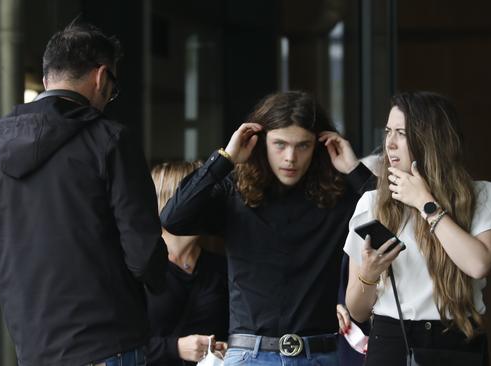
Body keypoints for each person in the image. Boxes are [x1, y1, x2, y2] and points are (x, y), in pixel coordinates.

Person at [0, 21, 168, 366]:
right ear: (102, 77)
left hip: (35, 350)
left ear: (47, 80)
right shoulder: (110, 141)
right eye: (112, 88)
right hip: (109, 343)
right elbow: (143, 254)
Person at [160, 91, 374, 366]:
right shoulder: (235, 192)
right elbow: (174, 218)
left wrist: (355, 170)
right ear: (260, 142)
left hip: (320, 355)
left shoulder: (338, 196)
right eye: (280, 144)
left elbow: (394, 227)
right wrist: (225, 158)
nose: (290, 157)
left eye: (303, 146)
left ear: (319, 145)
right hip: (250, 355)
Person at [344, 91, 491, 365]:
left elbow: (477, 264)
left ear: (431, 138)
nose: (390, 143)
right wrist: (368, 275)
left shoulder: (482, 195)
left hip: (457, 339)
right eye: (388, 131)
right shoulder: (373, 202)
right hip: (391, 339)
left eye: (401, 133)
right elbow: (357, 311)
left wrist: (425, 202)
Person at [147, 161, 229, 366]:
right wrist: (175, 348)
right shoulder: (137, 266)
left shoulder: (221, 267)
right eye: (200, 195)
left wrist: (230, 348)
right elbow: (114, 346)